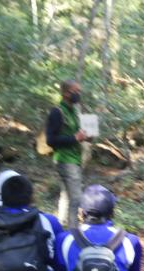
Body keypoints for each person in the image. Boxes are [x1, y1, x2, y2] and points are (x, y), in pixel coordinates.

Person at [46, 79, 89, 228]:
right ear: (65, 93)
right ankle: (73, 232)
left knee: (66, 195)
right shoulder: (57, 112)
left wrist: (85, 136)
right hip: (65, 160)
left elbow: (77, 134)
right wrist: (74, 138)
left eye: (79, 91)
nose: (78, 94)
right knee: (76, 198)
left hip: (75, 158)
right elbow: (50, 140)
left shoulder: (75, 111)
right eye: (75, 91)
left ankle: (60, 227)